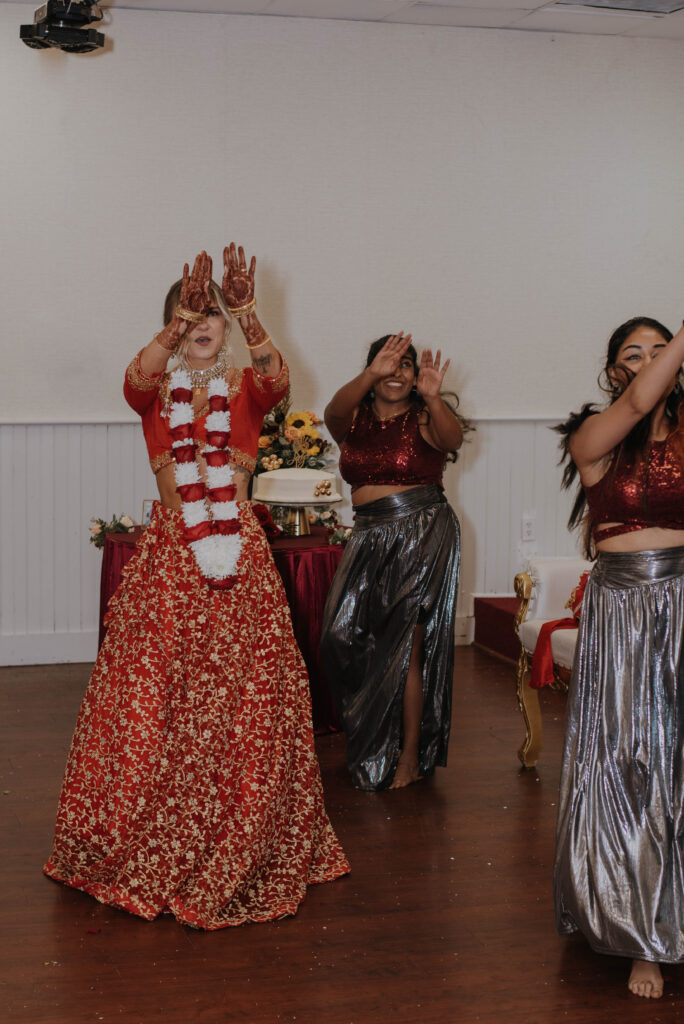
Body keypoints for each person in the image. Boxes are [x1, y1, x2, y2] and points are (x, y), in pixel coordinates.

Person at [43, 245, 349, 929]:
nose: (205, 319)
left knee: (246, 694)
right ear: (175, 320)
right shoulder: (156, 393)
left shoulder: (245, 388)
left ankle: (239, 831)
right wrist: (176, 325)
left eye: (212, 313)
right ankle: (144, 833)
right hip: (172, 556)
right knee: (155, 691)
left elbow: (279, 380)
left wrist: (246, 310)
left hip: (237, 552)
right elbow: (132, 379)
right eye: (193, 311)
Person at [553, 315, 684, 998]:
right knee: (633, 762)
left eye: (660, 351)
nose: (648, 363)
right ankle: (642, 937)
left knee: (679, 764)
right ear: (613, 373)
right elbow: (638, 406)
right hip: (624, 612)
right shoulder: (596, 437)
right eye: (634, 354)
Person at [320, 332, 466, 791]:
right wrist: (370, 374)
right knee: (338, 637)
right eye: (388, 363)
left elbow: (452, 439)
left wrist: (435, 398)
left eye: (406, 364)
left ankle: (408, 756)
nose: (397, 371)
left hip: (421, 530)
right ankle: (373, 735)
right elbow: (331, 413)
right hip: (366, 534)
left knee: (406, 646)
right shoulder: (354, 419)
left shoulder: (425, 417)